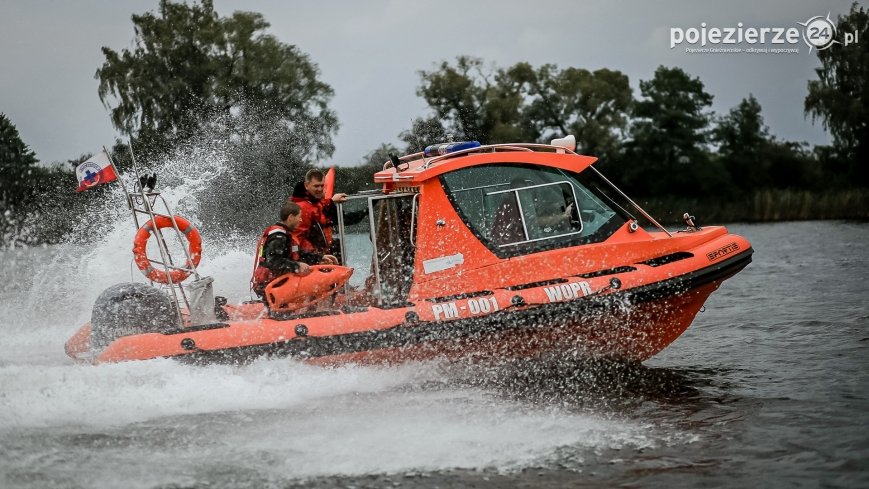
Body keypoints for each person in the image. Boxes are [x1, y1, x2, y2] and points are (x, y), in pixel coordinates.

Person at [250, 200, 337, 298]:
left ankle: (312, 308)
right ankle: (318, 310)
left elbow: (297, 254)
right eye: (299, 217)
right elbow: (274, 261)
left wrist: (320, 257)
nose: (300, 220)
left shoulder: (284, 234)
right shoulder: (278, 236)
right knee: (318, 285)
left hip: (276, 283)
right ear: (291, 217)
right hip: (272, 285)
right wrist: (297, 265)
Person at [291, 169, 349, 257]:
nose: (320, 189)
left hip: (318, 252)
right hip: (306, 254)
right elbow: (298, 237)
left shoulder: (317, 204)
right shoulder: (304, 207)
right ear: (306, 186)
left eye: (322, 186)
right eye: (316, 186)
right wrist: (316, 255)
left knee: (336, 245)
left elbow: (345, 219)